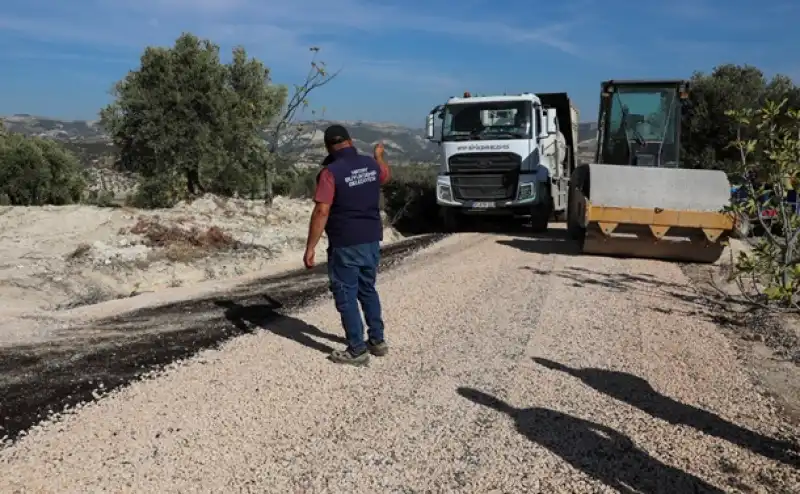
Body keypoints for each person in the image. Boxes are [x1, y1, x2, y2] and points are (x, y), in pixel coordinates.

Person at [303, 124, 391, 366]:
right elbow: (385, 175)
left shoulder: (330, 172)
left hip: (345, 242)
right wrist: (379, 156)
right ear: (351, 142)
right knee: (368, 289)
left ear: (328, 147)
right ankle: (377, 341)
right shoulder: (371, 165)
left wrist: (310, 247)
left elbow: (322, 210)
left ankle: (356, 349)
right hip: (371, 237)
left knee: (346, 294)